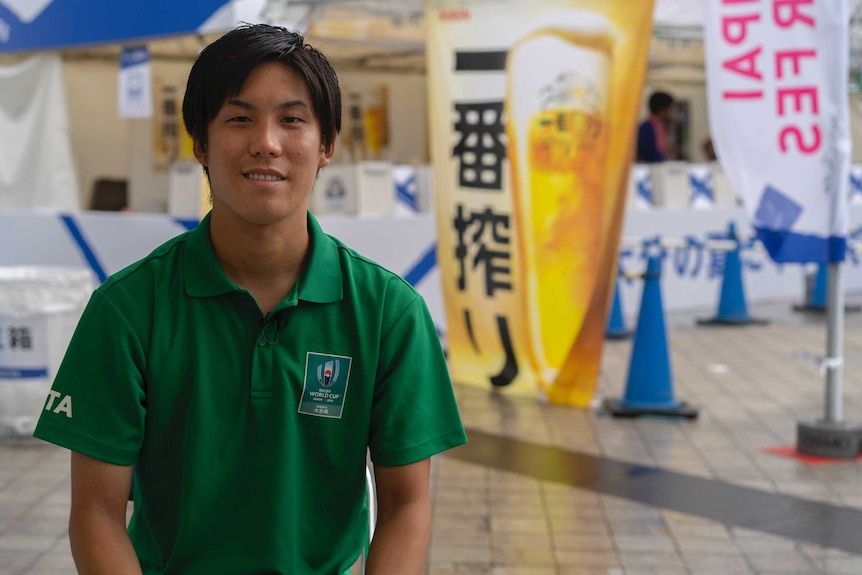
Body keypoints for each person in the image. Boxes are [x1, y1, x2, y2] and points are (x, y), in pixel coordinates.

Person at [33, 24, 467, 575]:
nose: (267, 141)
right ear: (200, 144)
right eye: (239, 118)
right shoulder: (125, 310)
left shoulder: (388, 312)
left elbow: (407, 504)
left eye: (292, 119)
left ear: (327, 144)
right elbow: (96, 513)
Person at [636, 91, 675, 163]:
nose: (671, 113)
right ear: (662, 110)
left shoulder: (659, 127)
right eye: (670, 109)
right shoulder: (647, 128)